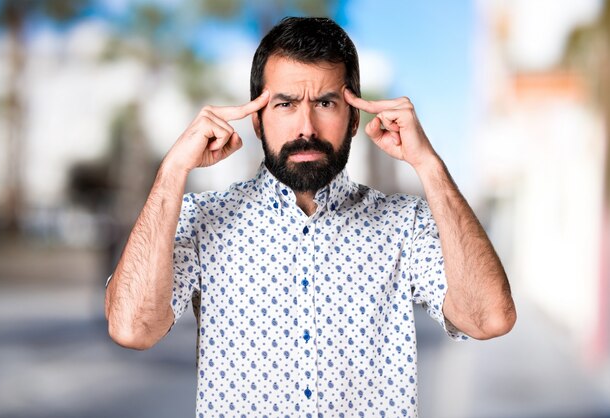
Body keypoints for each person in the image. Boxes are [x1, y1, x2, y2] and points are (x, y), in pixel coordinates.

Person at [105, 17, 516, 418]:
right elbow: (131, 327)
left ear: (354, 118)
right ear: (257, 119)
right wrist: (171, 171)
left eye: (325, 103)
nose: (306, 126)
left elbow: (489, 318)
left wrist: (429, 165)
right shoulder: (203, 220)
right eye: (284, 104)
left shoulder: (403, 225)